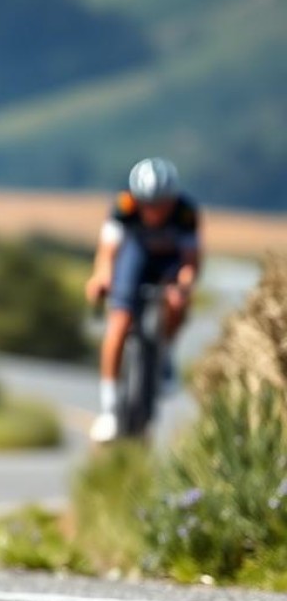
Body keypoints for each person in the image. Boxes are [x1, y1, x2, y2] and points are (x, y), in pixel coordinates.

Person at [85, 158, 201, 443]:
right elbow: (108, 252)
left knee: (176, 303)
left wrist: (184, 285)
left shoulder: (185, 213)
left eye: (160, 203)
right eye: (147, 203)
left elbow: (190, 262)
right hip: (134, 259)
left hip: (169, 264)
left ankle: (166, 353)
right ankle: (110, 409)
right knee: (119, 323)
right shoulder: (124, 206)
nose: (154, 211)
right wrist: (101, 277)